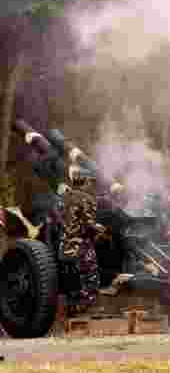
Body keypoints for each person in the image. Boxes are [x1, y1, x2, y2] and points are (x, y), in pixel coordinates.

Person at [46, 129, 102, 317]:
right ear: (85, 181)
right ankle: (87, 305)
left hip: (63, 247)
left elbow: (56, 218)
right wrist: (101, 229)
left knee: (72, 280)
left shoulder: (63, 198)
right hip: (80, 248)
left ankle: (72, 306)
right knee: (91, 277)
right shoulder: (87, 199)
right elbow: (89, 224)